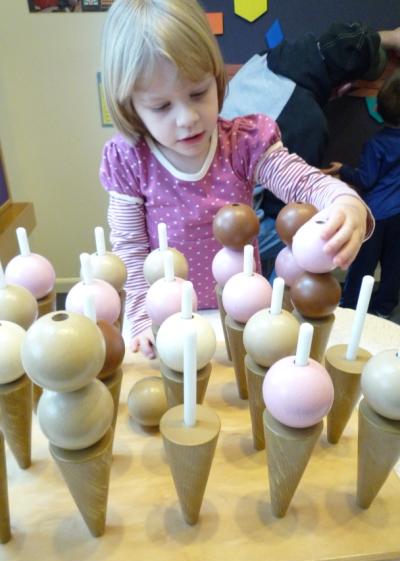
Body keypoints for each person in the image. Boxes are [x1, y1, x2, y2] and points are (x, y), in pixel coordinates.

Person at [99, 0, 372, 358]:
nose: (187, 118)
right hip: (168, 321)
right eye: (162, 106)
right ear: (130, 106)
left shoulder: (243, 143)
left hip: (241, 314)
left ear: (216, 79)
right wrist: (138, 319)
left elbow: (303, 182)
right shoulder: (131, 159)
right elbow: (130, 247)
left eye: (198, 93)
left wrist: (345, 202)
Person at [221, 23, 400, 277]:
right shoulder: (306, 121)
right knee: (304, 225)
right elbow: (284, 207)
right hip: (236, 222)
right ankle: (277, 294)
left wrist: (389, 37)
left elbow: (337, 44)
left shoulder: (265, 59)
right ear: (345, 86)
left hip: (208, 187)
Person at [323, 69, 400, 318]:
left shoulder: (376, 144)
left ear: (378, 109)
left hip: (376, 214)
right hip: (398, 214)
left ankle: (350, 305)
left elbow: (366, 179)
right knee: (394, 264)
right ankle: (384, 307)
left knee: (362, 264)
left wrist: (342, 169)